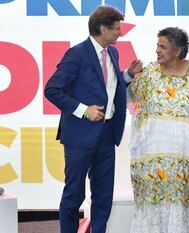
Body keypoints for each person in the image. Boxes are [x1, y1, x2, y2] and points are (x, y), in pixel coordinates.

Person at [44, 5, 141, 233]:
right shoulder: (76, 54)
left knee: (103, 194)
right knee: (74, 193)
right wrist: (83, 110)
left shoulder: (113, 52)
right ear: (102, 28)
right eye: (117, 29)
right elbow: (52, 89)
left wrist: (127, 75)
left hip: (107, 134)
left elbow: (110, 85)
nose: (120, 33)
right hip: (79, 134)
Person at [127, 27, 189, 233]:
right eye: (157, 45)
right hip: (153, 159)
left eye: (163, 46)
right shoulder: (149, 73)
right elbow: (128, 95)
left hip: (188, 158)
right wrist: (129, 75)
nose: (157, 50)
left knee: (185, 207)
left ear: (178, 50)